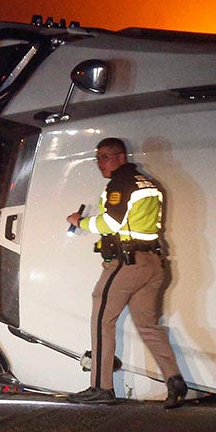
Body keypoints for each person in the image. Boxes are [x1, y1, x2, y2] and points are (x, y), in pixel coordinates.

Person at [65, 137, 187, 408]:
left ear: (121, 157)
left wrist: (79, 221)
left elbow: (110, 222)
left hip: (126, 263)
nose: (101, 163)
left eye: (105, 157)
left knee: (101, 320)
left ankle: (101, 387)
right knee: (148, 325)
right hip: (153, 263)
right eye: (98, 158)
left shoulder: (121, 184)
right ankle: (176, 382)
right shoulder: (150, 184)